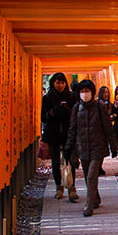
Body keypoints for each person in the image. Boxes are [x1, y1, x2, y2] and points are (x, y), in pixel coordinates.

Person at [65, 79, 112, 217]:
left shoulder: (100, 106)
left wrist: (113, 146)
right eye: (82, 91)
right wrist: (69, 147)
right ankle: (96, 198)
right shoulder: (76, 108)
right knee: (87, 176)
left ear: (92, 92)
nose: (84, 94)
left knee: (91, 175)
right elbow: (72, 129)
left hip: (97, 147)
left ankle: (89, 205)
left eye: (87, 91)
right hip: (82, 147)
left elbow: (107, 126)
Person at [40, 73, 78, 201]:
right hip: (53, 134)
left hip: (68, 134)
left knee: (70, 161)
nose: (60, 85)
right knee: (55, 162)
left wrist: (67, 110)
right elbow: (43, 117)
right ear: (53, 84)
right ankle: (58, 187)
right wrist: (54, 111)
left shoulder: (71, 96)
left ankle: (72, 188)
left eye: (62, 83)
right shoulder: (47, 98)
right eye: (57, 83)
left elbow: (76, 114)